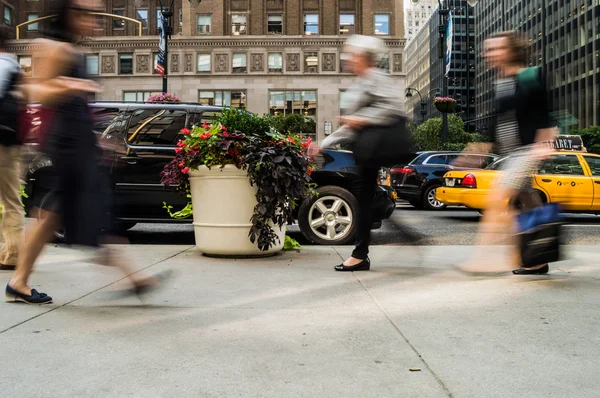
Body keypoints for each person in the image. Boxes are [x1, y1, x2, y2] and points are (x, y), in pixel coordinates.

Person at [6, 0, 168, 305]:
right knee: (91, 210)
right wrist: (69, 84)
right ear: (69, 13)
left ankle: (19, 281)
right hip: (67, 145)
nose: (93, 21)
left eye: (94, 15)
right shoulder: (51, 47)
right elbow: (35, 91)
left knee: (54, 216)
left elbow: (77, 108)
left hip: (78, 142)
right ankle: (135, 278)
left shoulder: (70, 50)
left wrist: (99, 139)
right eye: (86, 14)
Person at [310, 35, 422, 272]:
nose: (348, 59)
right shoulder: (361, 82)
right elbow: (351, 126)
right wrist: (326, 142)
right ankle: (377, 248)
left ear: (363, 57)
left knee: (363, 200)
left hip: (375, 149)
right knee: (364, 201)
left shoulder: (376, 78)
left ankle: (361, 255)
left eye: (352, 55)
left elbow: (393, 108)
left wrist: (361, 118)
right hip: (366, 150)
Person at [456, 31, 556, 275]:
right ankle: (535, 259)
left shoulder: (531, 76)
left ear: (510, 50)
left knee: (496, 197)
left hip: (527, 151)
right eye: (487, 50)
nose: (487, 54)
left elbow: (545, 114)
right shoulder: (501, 82)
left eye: (494, 49)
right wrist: (480, 148)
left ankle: (481, 259)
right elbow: (500, 121)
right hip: (511, 153)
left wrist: (545, 143)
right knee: (527, 206)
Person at [0, 27, 25, 271]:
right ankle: (11, 253)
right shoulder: (14, 66)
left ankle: (12, 254)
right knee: (11, 200)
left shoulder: (1, 65)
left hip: (2, 144)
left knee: (9, 201)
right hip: (11, 143)